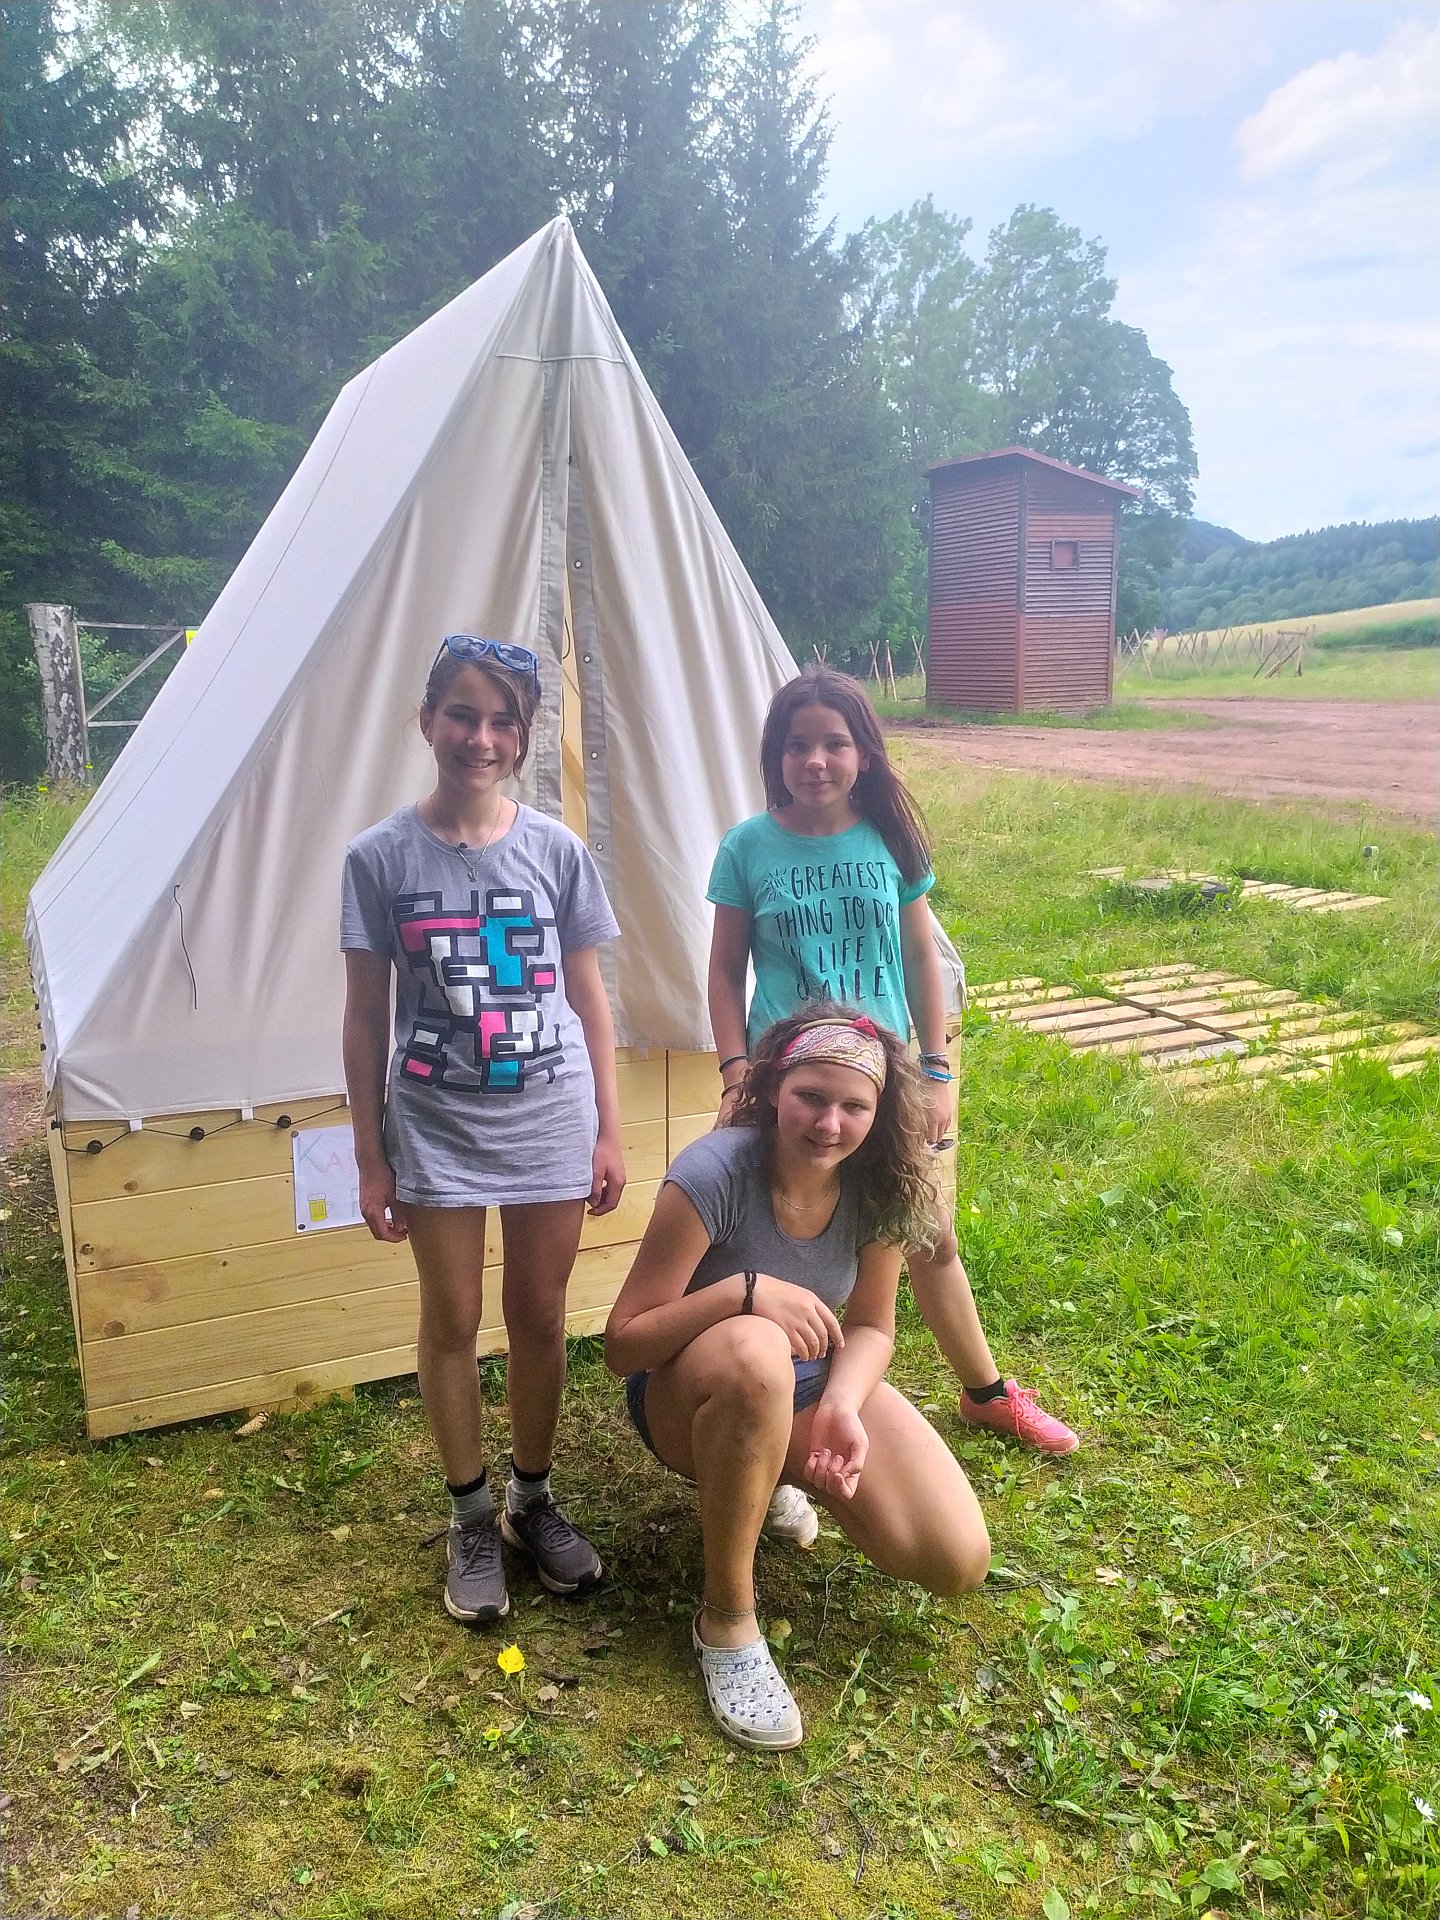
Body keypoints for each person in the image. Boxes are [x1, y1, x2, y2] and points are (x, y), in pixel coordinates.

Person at [708, 666, 1077, 1555]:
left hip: (888, 1078)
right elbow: (723, 969)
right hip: (789, 1079)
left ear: (864, 754)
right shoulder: (748, 847)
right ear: (776, 755)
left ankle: (985, 1393)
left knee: (928, 1233)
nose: (816, 760)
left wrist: (937, 1066)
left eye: (834, 743)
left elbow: (920, 956)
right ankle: (769, 1437)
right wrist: (734, 1069)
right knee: (775, 1243)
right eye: (798, 744)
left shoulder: (889, 842)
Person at [605, 1008, 990, 1750]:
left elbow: (872, 1327)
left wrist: (843, 1404)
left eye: (854, 1106)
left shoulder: (880, 1183)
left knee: (956, 1558)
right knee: (757, 1350)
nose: (829, 1124)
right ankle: (727, 1620)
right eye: (811, 1097)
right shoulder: (714, 1172)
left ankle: (772, 1467)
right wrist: (743, 1292)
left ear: (879, 1113)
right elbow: (624, 1345)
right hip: (688, 1394)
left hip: (808, 1382)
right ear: (774, 1087)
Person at [342, 633, 625, 1627]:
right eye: (462, 715)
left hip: (550, 1116)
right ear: (428, 721)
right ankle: (470, 1516)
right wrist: (369, 1154)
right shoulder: (378, 858)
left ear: (525, 735)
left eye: (504, 721)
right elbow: (364, 1017)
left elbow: (590, 1000)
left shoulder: (556, 851)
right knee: (453, 1318)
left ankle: (530, 1502)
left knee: (540, 1317)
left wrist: (609, 1130)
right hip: (436, 1125)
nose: (481, 738)